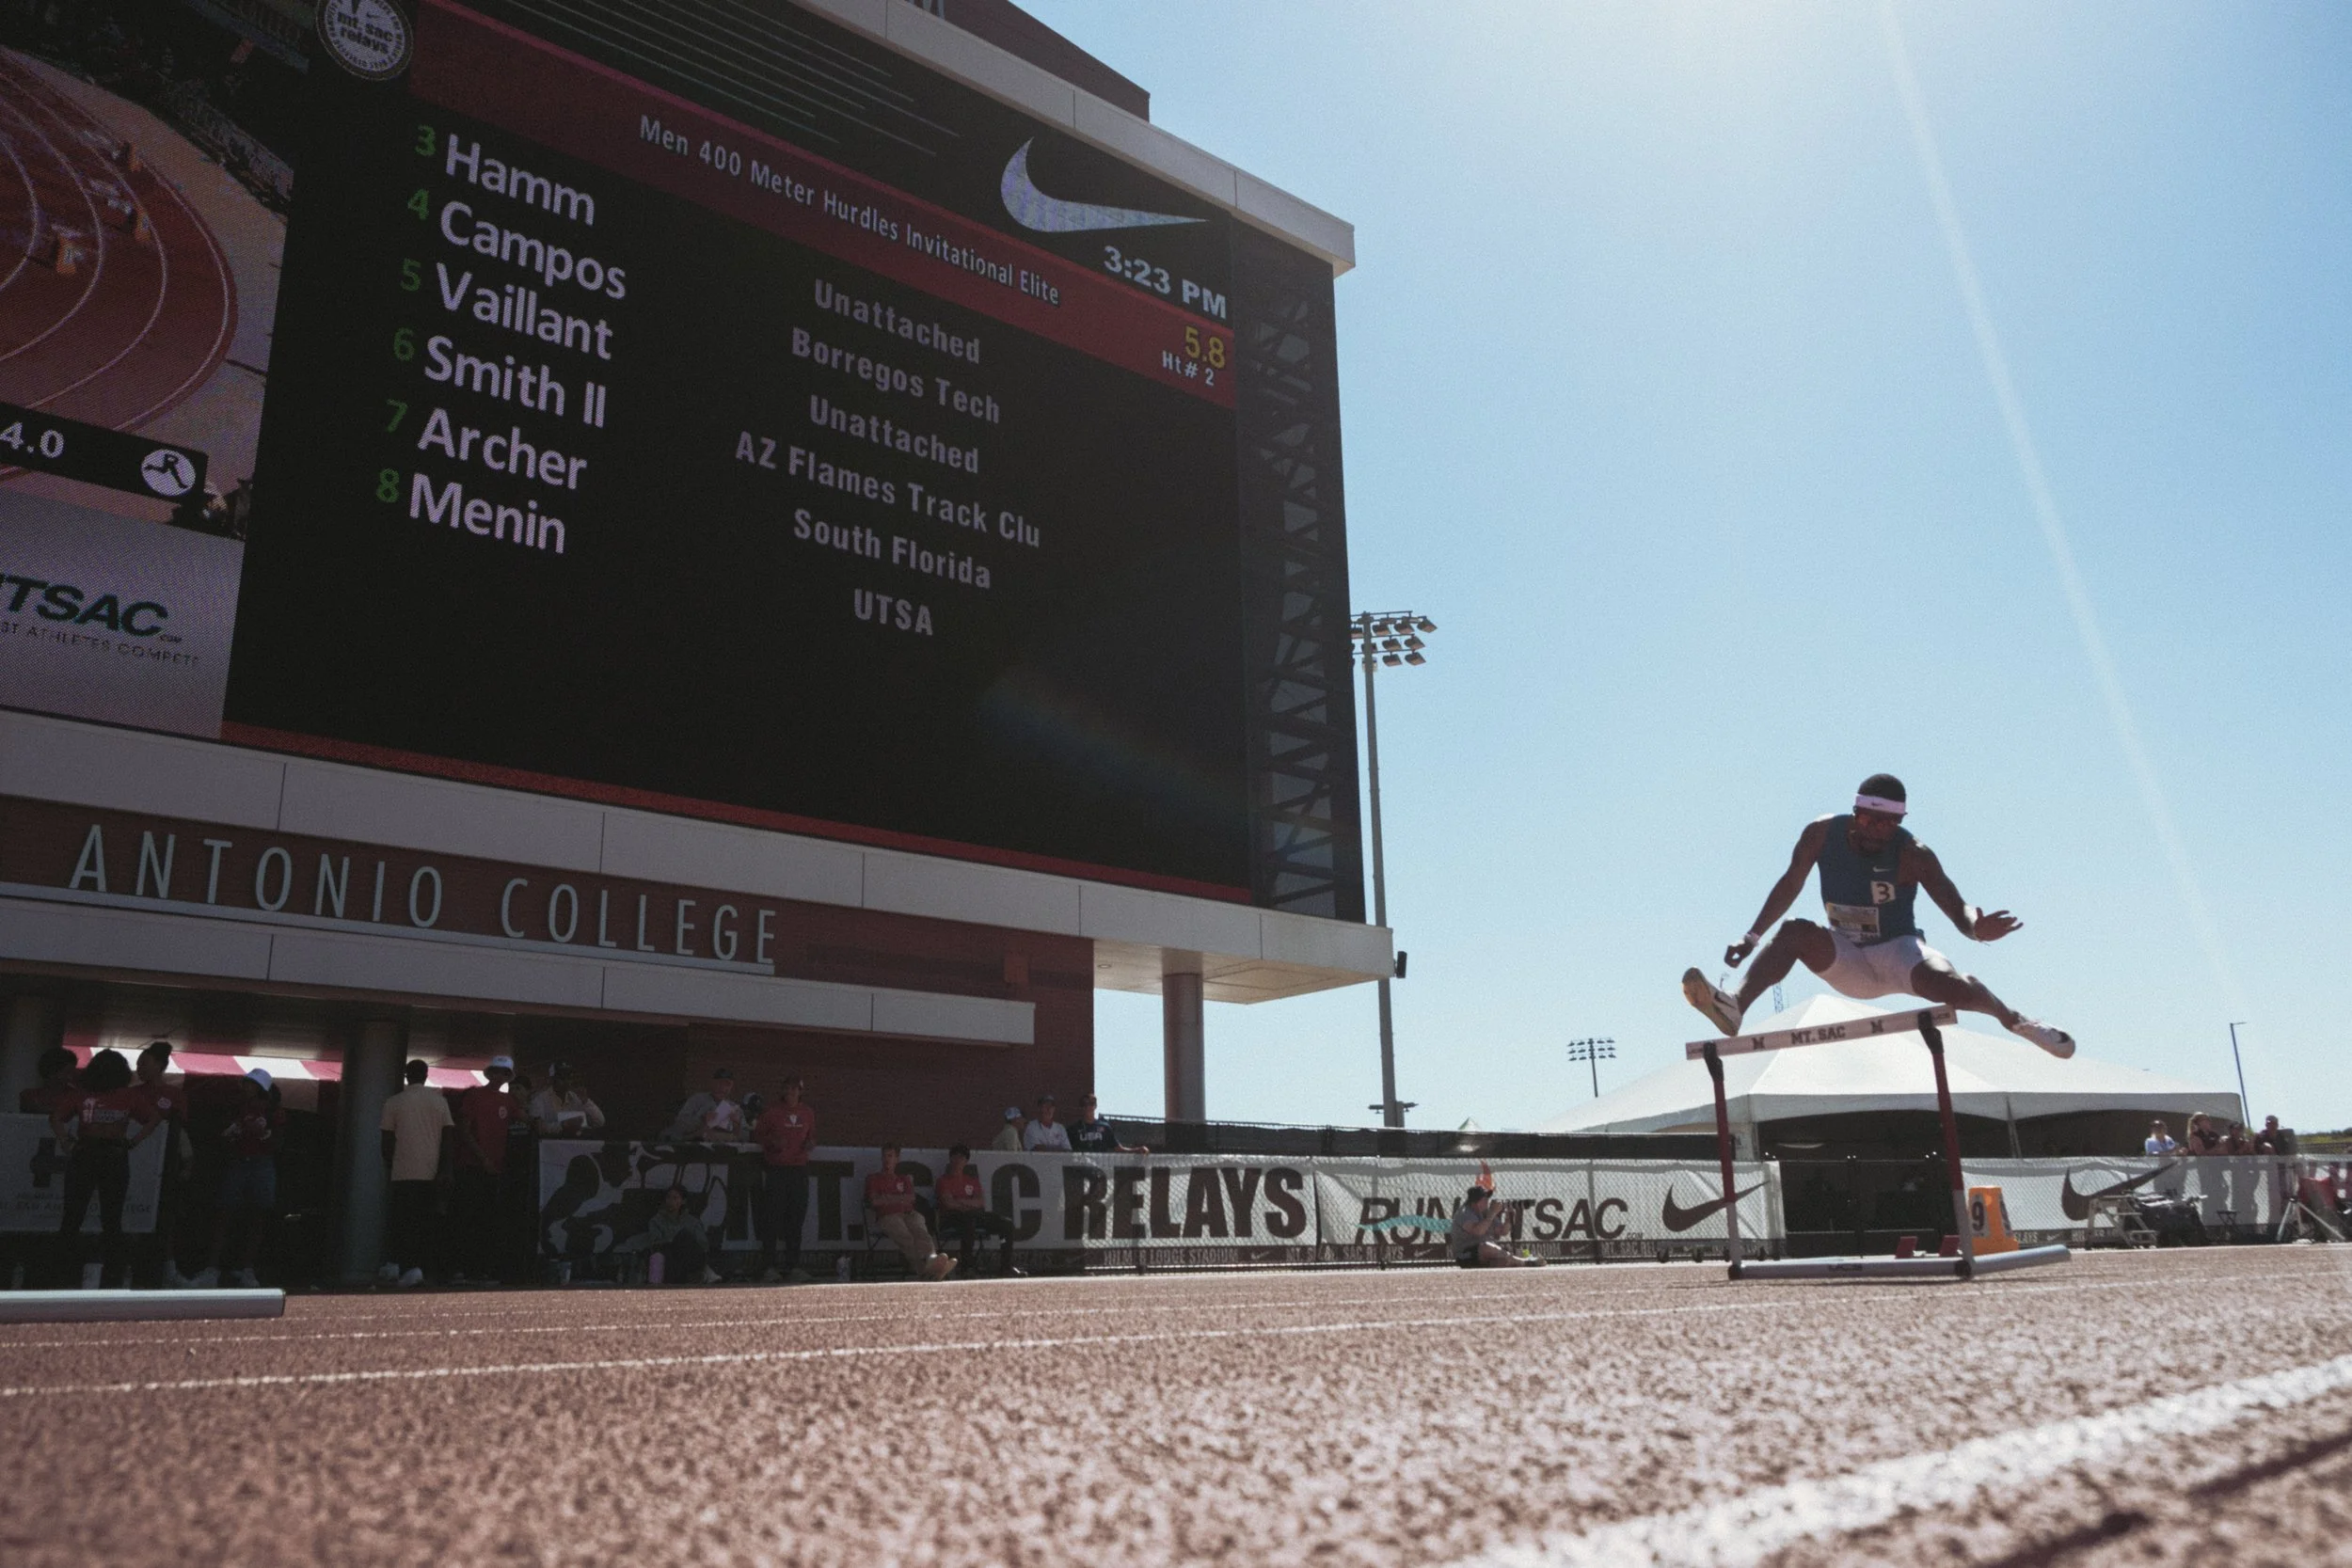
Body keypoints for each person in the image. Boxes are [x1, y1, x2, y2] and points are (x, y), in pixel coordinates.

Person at [1681, 774, 2075, 1056]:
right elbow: (1790, 883)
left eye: (1888, 825)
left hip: (1898, 952)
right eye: (1869, 820)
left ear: (1900, 822)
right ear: (1855, 812)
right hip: (1846, 956)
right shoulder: (1821, 834)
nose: (1876, 832)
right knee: (1794, 931)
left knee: (1952, 987)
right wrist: (1751, 937)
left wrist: (1976, 927)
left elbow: (1958, 909)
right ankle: (1735, 1005)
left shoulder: (1913, 854)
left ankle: (2016, 1020)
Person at [52, 1049, 158, 1289]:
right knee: (109, 1218)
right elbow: (154, 1118)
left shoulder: (85, 1094)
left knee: (75, 1216)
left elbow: (56, 1117)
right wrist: (134, 1141)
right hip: (111, 1154)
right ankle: (111, 1276)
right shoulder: (126, 1096)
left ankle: (63, 1274)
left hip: (89, 1152)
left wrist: (66, 1141)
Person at [191, 1069, 283, 1288]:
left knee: (257, 1216)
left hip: (261, 1164)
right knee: (224, 1214)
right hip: (238, 1162)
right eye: (246, 1083)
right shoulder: (236, 1107)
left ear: (261, 1088)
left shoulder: (273, 1112)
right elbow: (222, 1137)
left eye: (251, 1084)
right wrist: (233, 1133)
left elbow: (278, 1143)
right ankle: (213, 1269)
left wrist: (262, 1134)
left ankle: (247, 1269)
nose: (246, 1087)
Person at [379, 1059, 453, 1288]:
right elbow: (448, 1138)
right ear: (426, 1075)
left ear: (406, 1075)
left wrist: (391, 1164)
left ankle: (399, 1265)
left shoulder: (393, 1102)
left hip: (402, 1172)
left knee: (401, 1222)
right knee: (424, 1223)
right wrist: (445, 1169)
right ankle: (418, 1268)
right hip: (430, 1172)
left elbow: (387, 1141)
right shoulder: (440, 1102)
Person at [130, 1041, 195, 1288]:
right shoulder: (132, 1093)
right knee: (132, 1215)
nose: (140, 1068)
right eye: (138, 1064)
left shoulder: (175, 1095)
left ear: (159, 1065)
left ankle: (169, 1271)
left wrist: (187, 1163)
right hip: (136, 1162)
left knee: (165, 1219)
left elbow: (180, 1131)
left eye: (144, 1063)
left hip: (165, 1167)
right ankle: (128, 1270)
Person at [451, 1055, 516, 1284]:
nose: (499, 1076)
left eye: (504, 1072)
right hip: (471, 1166)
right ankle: (459, 1269)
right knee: (467, 1218)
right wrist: (482, 1158)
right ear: (490, 1073)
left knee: (487, 1221)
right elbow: (464, 1129)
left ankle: (480, 1269)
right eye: (496, 1071)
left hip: (494, 1169)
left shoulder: (509, 1101)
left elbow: (527, 1120)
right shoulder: (475, 1096)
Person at [753, 1076, 816, 1283]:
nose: (790, 1092)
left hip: (799, 1170)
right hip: (777, 1170)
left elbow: (811, 1137)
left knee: (796, 1219)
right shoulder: (772, 1112)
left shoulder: (808, 1113)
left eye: (794, 1089)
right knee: (772, 1218)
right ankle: (768, 1266)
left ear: (800, 1092)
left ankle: (793, 1266)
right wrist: (772, 1142)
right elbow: (757, 1135)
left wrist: (810, 1144)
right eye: (786, 1088)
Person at [866, 1145, 954, 1280]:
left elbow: (911, 1198)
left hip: (909, 1213)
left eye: (890, 1156)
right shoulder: (873, 1178)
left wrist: (887, 1198)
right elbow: (874, 1201)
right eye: (884, 1156)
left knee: (922, 1232)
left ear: (897, 1159)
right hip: (887, 1216)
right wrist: (899, 1198)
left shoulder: (904, 1179)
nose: (886, 1159)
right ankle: (926, 1271)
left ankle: (932, 1259)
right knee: (906, 1237)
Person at [933, 1145, 1018, 1276]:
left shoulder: (971, 1181)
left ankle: (1006, 1266)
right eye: (955, 1157)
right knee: (969, 1221)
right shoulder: (943, 1181)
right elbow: (949, 1204)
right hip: (952, 1217)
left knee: (1006, 1224)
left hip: (974, 1215)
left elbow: (980, 1202)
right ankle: (967, 1266)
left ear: (966, 1161)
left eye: (962, 1158)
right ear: (950, 1159)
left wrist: (959, 1201)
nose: (958, 1161)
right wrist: (968, 1203)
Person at [638, 1185, 714, 1285]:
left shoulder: (693, 1222)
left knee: (685, 1236)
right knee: (678, 1240)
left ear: (683, 1201)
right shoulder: (656, 1221)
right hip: (670, 1260)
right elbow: (655, 1242)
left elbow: (703, 1245)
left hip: (691, 1258)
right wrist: (674, 1241)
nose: (671, 1201)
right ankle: (702, 1274)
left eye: (675, 1198)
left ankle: (699, 1273)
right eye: (668, 1197)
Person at [1449, 1184, 1536, 1268]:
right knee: (1486, 1247)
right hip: (1466, 1256)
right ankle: (1523, 1262)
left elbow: (1503, 1231)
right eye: (1484, 1199)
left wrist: (1508, 1219)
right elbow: (1478, 1232)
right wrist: (1492, 1213)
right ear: (1476, 1202)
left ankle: (1522, 1262)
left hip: (1484, 1255)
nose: (1487, 1201)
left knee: (1504, 1258)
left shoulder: (1486, 1212)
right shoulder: (1464, 1213)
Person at [529, 1062, 605, 1136]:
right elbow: (539, 1128)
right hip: (552, 1143)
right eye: (562, 1078)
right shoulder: (539, 1100)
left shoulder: (575, 1098)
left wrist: (586, 1101)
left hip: (577, 1142)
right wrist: (563, 1125)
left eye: (569, 1077)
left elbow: (600, 1122)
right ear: (552, 1080)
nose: (567, 1081)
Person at [663, 1068, 739, 1142]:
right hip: (693, 1144)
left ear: (731, 1087)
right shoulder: (697, 1100)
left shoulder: (733, 1107)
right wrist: (701, 1119)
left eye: (727, 1085)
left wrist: (737, 1125)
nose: (722, 1088)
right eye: (719, 1083)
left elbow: (744, 1136)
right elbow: (679, 1125)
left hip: (723, 1145)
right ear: (712, 1083)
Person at [1069, 1096, 1149, 1156]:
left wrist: (1137, 1150)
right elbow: (1067, 1151)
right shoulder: (1074, 1129)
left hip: (1100, 1167)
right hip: (1080, 1167)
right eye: (1084, 1104)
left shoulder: (1104, 1127)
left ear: (1095, 1106)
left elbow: (1118, 1148)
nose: (1088, 1107)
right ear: (1081, 1107)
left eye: (1091, 1104)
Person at [19, 1045, 79, 1117]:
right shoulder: (29, 1096)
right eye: (67, 1072)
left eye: (72, 1072)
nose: (71, 1077)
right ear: (52, 1072)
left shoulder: (76, 1097)